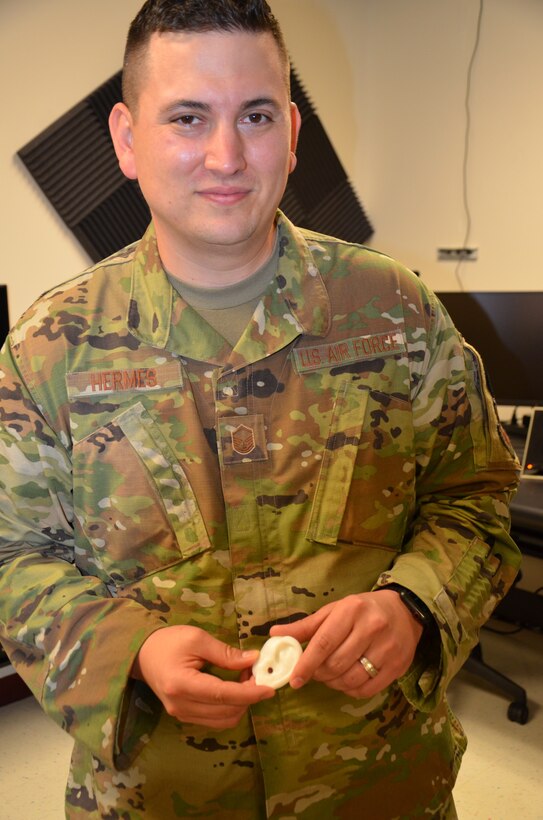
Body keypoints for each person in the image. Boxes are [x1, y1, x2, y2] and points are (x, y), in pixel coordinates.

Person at [0, 1, 521, 817]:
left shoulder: (392, 310)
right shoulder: (49, 348)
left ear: (291, 133)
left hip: (376, 783)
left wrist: (414, 602)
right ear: (126, 139)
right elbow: (12, 559)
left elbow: (478, 496)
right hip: (157, 796)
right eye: (187, 117)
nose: (226, 154)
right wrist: (132, 653)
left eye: (254, 115)